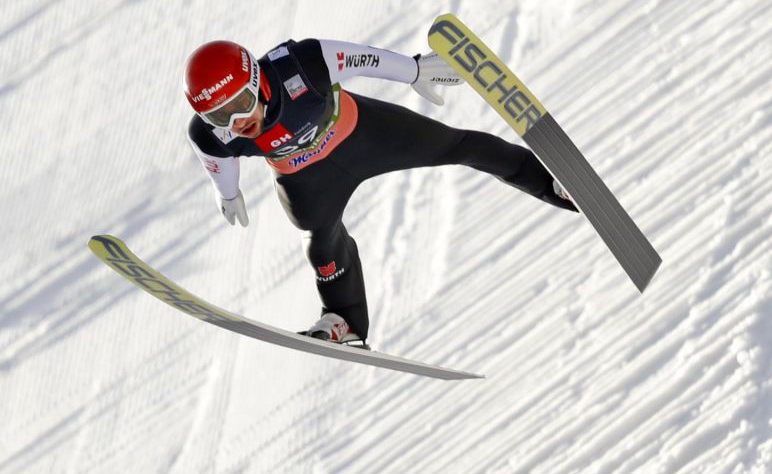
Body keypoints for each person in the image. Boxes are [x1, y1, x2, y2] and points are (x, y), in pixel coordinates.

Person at [183, 38, 575, 345]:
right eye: (220, 115)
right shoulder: (211, 133)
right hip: (304, 179)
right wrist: (228, 193)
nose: (238, 121)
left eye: (242, 104)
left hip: (364, 134)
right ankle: (345, 322)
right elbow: (215, 158)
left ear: (258, 81)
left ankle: (553, 184)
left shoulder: (300, 63)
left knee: (461, 146)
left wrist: (415, 70)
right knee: (321, 244)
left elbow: (361, 59)